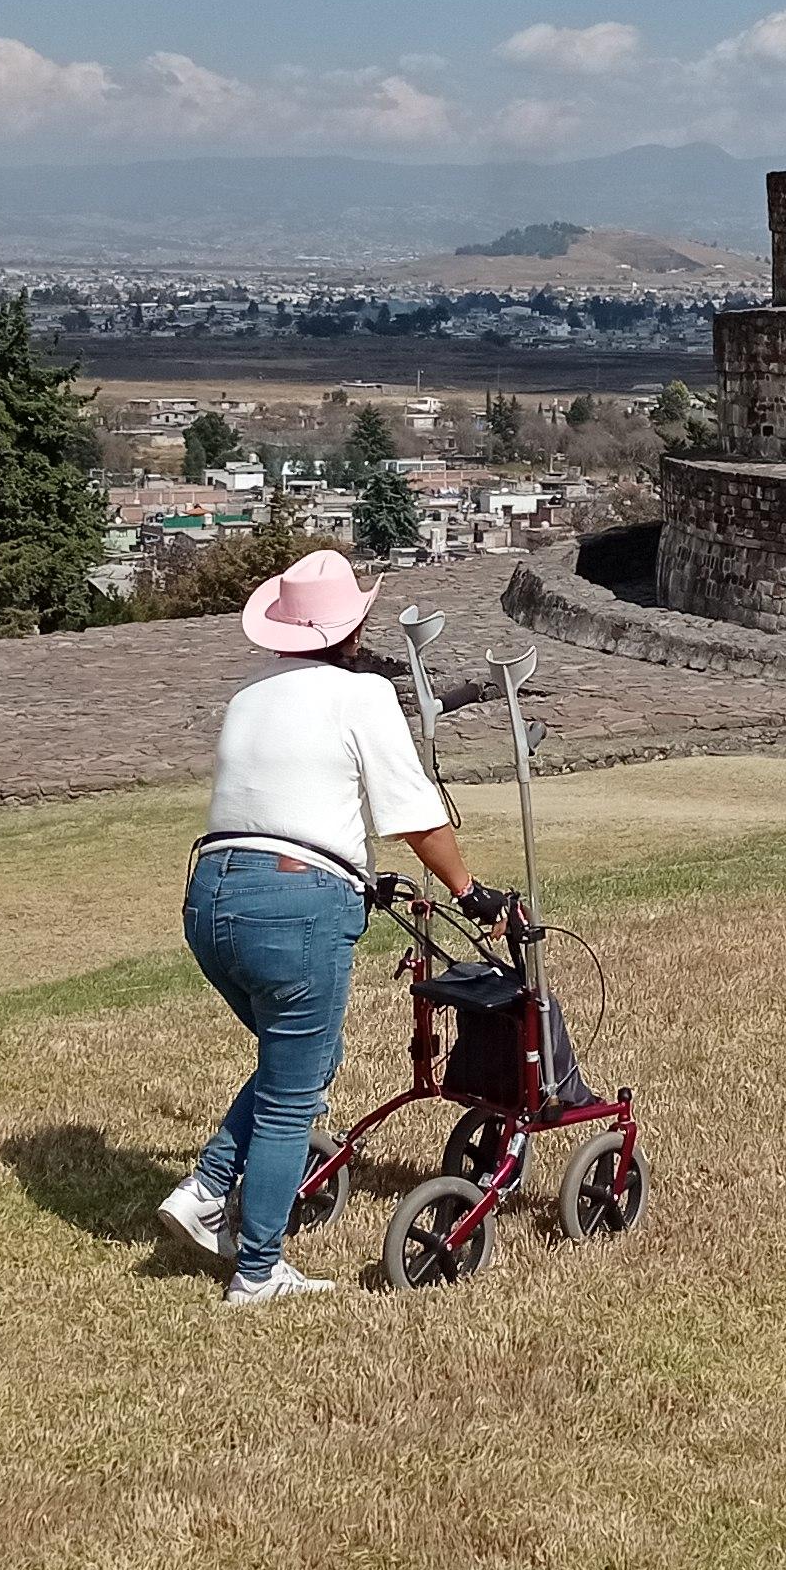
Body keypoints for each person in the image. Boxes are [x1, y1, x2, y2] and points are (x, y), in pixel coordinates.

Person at [156, 549, 509, 1306]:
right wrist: (467, 888)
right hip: (293, 905)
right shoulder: (364, 695)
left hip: (210, 897)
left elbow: (286, 799)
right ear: (354, 628)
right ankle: (256, 1271)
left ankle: (207, 1187)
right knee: (292, 1093)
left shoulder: (250, 698)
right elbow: (413, 811)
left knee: (303, 1059)